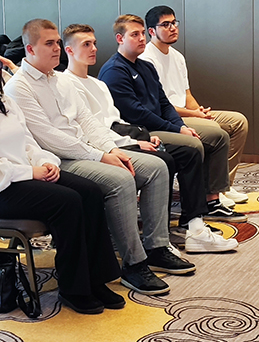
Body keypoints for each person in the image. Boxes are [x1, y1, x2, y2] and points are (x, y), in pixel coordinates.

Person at [6, 20, 194, 294]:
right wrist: (100, 156)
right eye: (49, 43)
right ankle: (134, 263)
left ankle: (156, 247)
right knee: (120, 179)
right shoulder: (18, 87)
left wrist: (112, 149)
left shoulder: (60, 79)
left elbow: (89, 122)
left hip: (87, 149)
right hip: (57, 159)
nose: (57, 48)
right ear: (30, 49)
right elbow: (48, 137)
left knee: (156, 168)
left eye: (57, 42)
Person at [0, 41, 124, 314]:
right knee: (68, 201)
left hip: (22, 177)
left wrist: (45, 162)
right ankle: (75, 288)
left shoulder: (3, 101)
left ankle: (96, 279)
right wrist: (29, 172)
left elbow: (27, 143)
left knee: (90, 191)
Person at [62, 23, 237, 257]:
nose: (94, 48)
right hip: (105, 146)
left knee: (188, 153)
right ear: (69, 50)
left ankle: (193, 225)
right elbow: (93, 130)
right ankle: (158, 236)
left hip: (122, 135)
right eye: (86, 44)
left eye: (94, 43)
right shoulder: (72, 83)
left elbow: (119, 120)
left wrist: (151, 133)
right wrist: (133, 142)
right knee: (166, 159)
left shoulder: (98, 83)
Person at [99, 14, 246, 232]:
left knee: (216, 136)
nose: (141, 38)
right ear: (120, 39)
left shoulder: (145, 67)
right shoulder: (115, 70)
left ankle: (209, 203)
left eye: (142, 34)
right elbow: (137, 114)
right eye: (134, 35)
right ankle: (192, 214)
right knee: (192, 145)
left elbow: (164, 103)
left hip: (159, 125)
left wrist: (182, 126)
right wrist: (175, 128)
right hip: (139, 131)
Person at [142, 5, 250, 206]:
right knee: (214, 130)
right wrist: (195, 115)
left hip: (186, 112)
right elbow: (161, 105)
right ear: (151, 31)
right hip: (169, 118)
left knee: (238, 122)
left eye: (174, 23)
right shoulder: (146, 59)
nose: (173, 28)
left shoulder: (177, 57)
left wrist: (200, 111)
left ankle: (223, 186)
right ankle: (212, 190)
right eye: (165, 25)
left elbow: (187, 94)